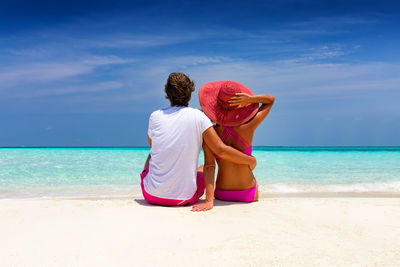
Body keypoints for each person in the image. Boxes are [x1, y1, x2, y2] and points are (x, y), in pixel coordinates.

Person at [141, 73, 256, 210]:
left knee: (152, 154)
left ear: (167, 92)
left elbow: (154, 146)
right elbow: (219, 150)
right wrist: (249, 160)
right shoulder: (199, 116)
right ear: (190, 93)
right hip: (183, 199)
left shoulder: (155, 116)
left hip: (150, 195)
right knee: (202, 168)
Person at [193, 80, 274, 207]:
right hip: (248, 194)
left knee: (203, 167)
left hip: (222, 193)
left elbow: (210, 166)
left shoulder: (211, 133)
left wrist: (209, 201)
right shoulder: (249, 126)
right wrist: (251, 100)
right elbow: (270, 100)